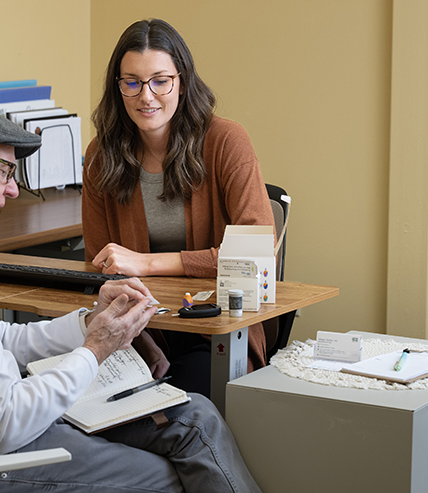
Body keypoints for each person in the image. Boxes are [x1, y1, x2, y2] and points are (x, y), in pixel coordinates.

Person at [0, 97, 260, 493]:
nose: (12, 189)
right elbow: (2, 426)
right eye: (4, 171)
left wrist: (87, 326)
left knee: (195, 417)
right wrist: (95, 351)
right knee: (171, 477)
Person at [82, 19, 275, 396]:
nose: (146, 96)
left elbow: (258, 253)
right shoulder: (100, 156)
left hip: (214, 329)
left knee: (178, 412)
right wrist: (136, 338)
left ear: (182, 81)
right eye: (132, 82)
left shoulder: (225, 141)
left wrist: (148, 262)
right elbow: (101, 264)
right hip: (139, 328)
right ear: (117, 87)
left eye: (160, 80)